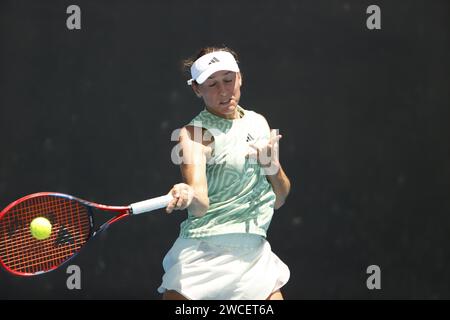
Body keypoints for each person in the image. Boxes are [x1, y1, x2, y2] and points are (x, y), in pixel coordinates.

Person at [158, 46, 291, 300]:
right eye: (212, 84)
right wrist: (187, 194)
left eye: (228, 80)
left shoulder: (258, 123)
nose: (223, 91)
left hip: (254, 256)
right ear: (197, 89)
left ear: (240, 78)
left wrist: (271, 166)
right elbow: (199, 205)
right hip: (204, 254)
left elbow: (280, 198)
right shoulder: (194, 134)